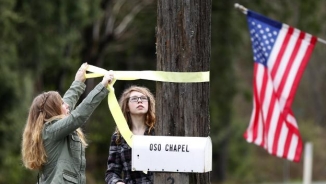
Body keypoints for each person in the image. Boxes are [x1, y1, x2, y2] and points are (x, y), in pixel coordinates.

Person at [21, 63, 114, 183]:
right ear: (53, 110)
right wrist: (102, 86)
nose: (67, 105)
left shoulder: (51, 129)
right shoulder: (52, 130)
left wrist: (79, 81)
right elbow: (78, 116)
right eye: (62, 104)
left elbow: (68, 102)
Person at [105, 86, 155, 184]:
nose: (140, 101)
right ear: (127, 106)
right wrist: (118, 183)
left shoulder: (159, 131)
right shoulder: (118, 137)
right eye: (134, 99)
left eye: (143, 98)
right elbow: (111, 173)